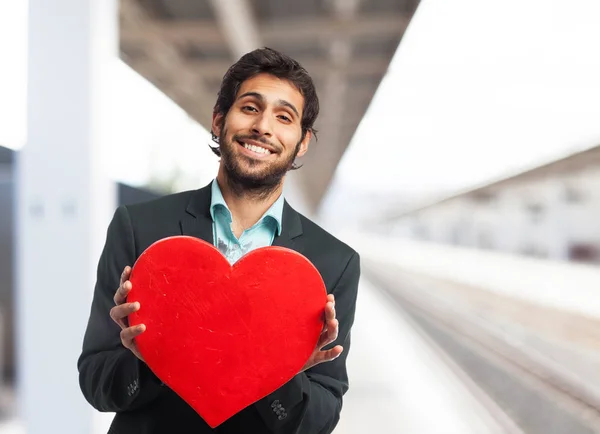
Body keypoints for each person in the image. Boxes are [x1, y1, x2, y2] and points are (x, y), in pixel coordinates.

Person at [77, 47, 360, 434]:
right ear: (218, 120)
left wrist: (280, 369)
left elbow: (319, 422)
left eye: (284, 117)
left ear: (303, 142)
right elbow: (96, 382)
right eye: (249, 107)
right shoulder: (140, 228)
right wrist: (149, 357)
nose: (263, 126)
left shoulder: (333, 262)